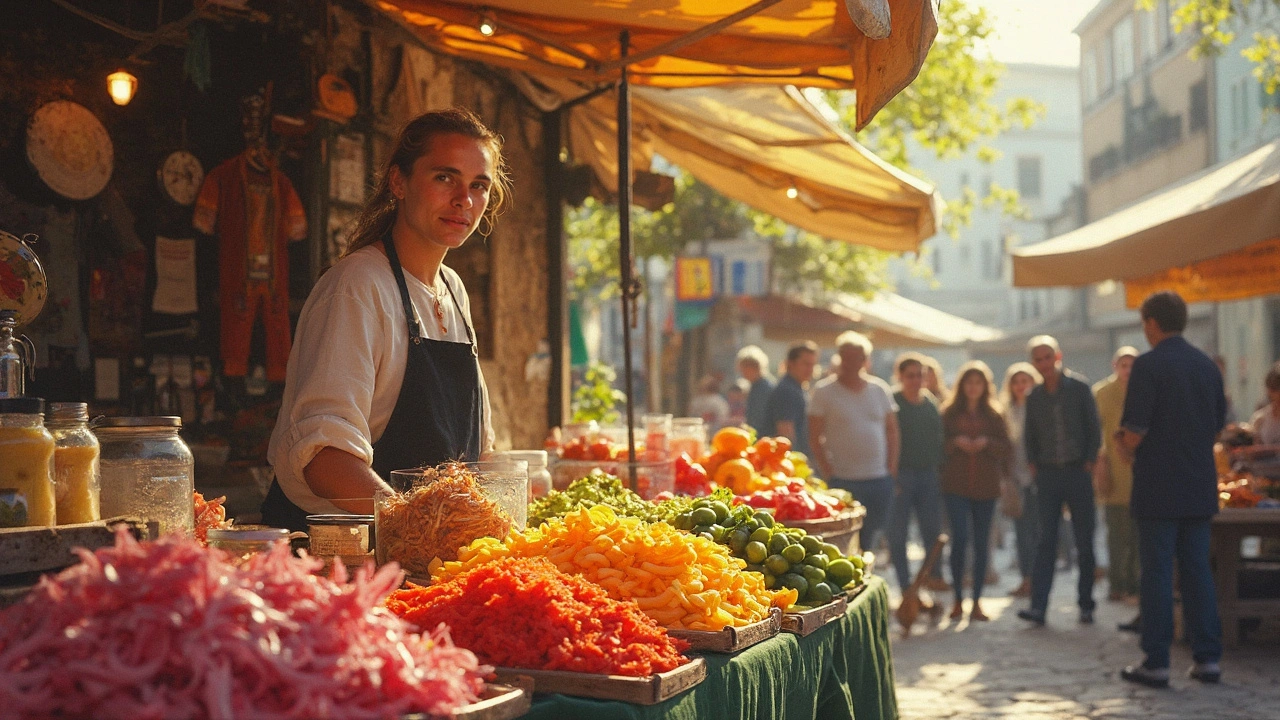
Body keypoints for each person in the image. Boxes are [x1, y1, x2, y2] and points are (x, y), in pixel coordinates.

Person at [263, 109, 506, 530]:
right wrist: (412, 524)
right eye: (445, 177)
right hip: (343, 551)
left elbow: (476, 454)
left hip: (425, 555)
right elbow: (324, 458)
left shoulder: (453, 289)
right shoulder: (358, 286)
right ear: (399, 182)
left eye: (478, 185)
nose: (464, 200)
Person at [1117, 291, 1225, 688]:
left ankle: (1157, 661)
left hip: (1158, 487)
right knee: (1198, 571)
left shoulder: (1148, 366)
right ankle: (1208, 658)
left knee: (1158, 573)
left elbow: (1134, 433)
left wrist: (1119, 442)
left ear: (1151, 323)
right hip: (1198, 484)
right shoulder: (1207, 366)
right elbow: (1217, 426)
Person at [1017, 335, 1102, 626]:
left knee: (1084, 541)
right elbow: (1029, 436)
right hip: (1049, 474)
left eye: (1047, 357)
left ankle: (1086, 604)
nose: (1043, 363)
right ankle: (1038, 607)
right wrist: (1034, 466)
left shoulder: (1079, 388)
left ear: (1057, 356)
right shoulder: (1034, 396)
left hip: (1078, 472)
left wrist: (1090, 461)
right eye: (1038, 359)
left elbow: (1094, 427)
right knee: (1046, 541)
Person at [809, 331, 900, 550]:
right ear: (839, 357)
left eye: (856, 357)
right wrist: (828, 471)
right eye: (846, 357)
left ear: (864, 360)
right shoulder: (823, 391)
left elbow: (892, 431)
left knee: (872, 538)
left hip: (878, 478)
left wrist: (891, 469)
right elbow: (814, 436)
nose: (851, 363)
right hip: (843, 479)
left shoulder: (879, 389)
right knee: (844, 540)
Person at [940, 361, 1011, 621]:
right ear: (962, 385)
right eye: (969, 382)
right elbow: (939, 447)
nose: (973, 387)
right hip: (956, 486)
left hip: (986, 486)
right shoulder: (948, 413)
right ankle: (958, 599)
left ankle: (977, 601)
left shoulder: (994, 414)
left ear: (985, 386)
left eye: (978, 383)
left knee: (982, 544)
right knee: (959, 540)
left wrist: (986, 443)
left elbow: (1006, 448)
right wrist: (955, 443)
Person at [887, 353, 948, 594]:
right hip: (901, 476)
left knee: (932, 532)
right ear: (901, 377)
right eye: (910, 375)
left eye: (920, 375)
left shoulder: (931, 403)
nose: (916, 380)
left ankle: (933, 578)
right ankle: (905, 587)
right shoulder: (893, 402)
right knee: (898, 534)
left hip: (928, 476)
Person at [1094, 346, 1141, 604]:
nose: (1128, 371)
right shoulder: (1101, 393)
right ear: (1115, 366)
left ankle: (1135, 584)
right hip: (1112, 468)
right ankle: (1116, 583)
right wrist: (1099, 460)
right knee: (1116, 534)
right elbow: (1095, 431)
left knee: (1137, 535)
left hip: (1139, 471)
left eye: (1132, 365)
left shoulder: (1145, 391)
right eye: (1124, 365)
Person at [1000, 361, 1042, 598]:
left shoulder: (1039, 407)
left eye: (1024, 381)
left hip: (1037, 478)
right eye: (1016, 382)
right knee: (1021, 533)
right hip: (1016, 479)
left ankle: (1036, 580)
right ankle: (1026, 579)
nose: (1020, 386)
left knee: (1036, 533)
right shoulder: (1006, 411)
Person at [764, 342, 818, 457]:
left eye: (812, 365)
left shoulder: (798, 388)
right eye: (806, 364)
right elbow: (786, 433)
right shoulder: (786, 390)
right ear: (791, 364)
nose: (810, 369)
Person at [737, 345, 775, 433]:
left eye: (744, 368)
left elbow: (758, 418)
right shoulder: (755, 386)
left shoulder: (764, 388)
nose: (742, 372)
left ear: (753, 367)